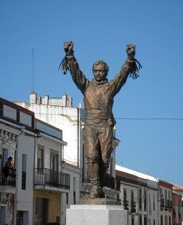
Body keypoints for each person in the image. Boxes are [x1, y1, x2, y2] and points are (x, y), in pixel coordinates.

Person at [60, 42, 141, 198]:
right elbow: (76, 73)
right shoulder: (86, 86)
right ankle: (95, 186)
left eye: (101, 71)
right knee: (92, 155)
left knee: (104, 158)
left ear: (106, 72)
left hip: (105, 125)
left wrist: (130, 58)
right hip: (90, 124)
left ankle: (100, 182)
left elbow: (122, 76)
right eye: (95, 71)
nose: (98, 73)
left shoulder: (110, 87)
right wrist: (70, 55)